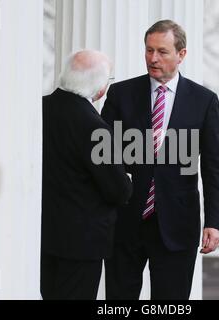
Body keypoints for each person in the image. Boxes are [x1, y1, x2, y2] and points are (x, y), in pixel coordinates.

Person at [101, 20, 219, 300]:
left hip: (178, 225)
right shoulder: (121, 94)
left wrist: (215, 222)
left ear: (181, 55)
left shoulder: (204, 101)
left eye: (162, 51)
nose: (153, 58)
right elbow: (104, 158)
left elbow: (214, 166)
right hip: (126, 221)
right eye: (148, 50)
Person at [40, 50, 132, 300]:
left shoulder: (39, 110)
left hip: (43, 234)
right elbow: (118, 190)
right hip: (82, 243)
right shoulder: (94, 126)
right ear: (101, 88)